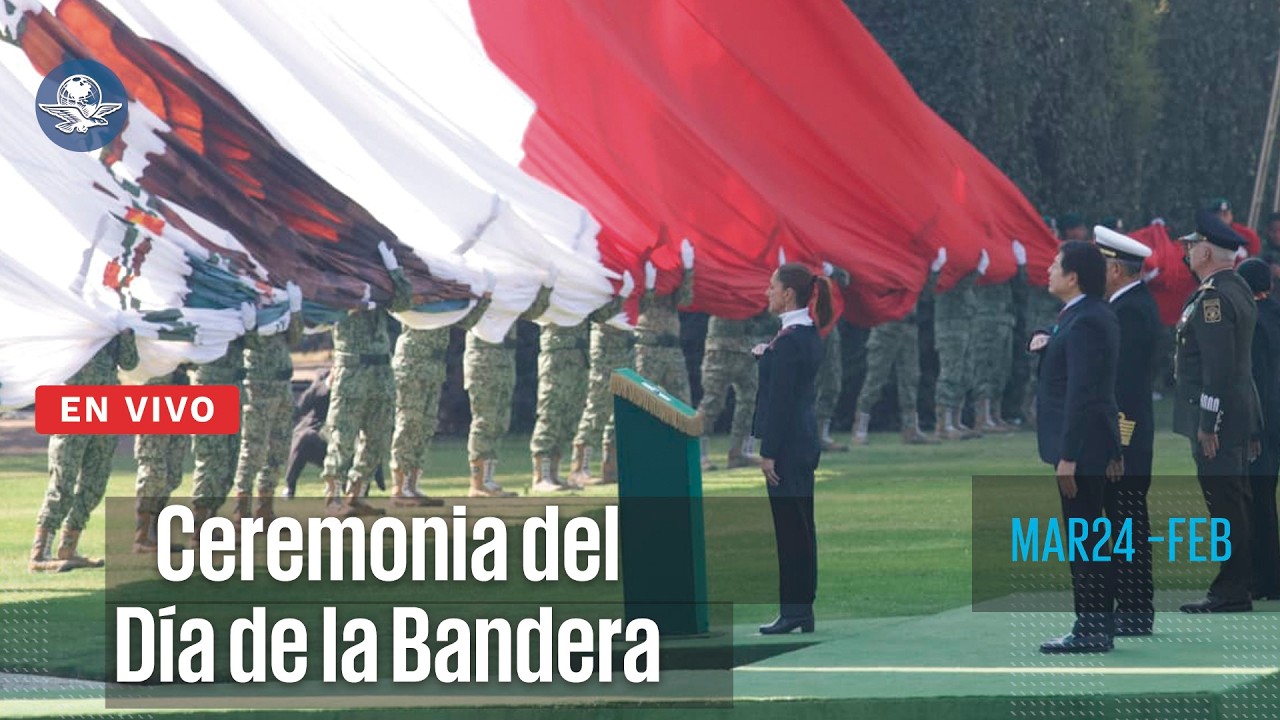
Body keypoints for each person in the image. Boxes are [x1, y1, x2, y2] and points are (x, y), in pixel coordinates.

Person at [1031, 240, 1122, 653]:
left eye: (1055, 265)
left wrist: (1068, 455)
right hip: (1094, 446)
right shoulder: (1086, 315)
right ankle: (1095, 624)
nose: (1048, 270)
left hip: (1080, 451)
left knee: (1085, 541)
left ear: (1073, 277)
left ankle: (1091, 628)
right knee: (1090, 538)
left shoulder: (1085, 320)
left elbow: (1083, 392)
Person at [1174, 209, 1259, 613]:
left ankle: (1231, 588)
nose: (1187, 252)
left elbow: (1219, 368)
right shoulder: (1237, 287)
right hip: (1238, 414)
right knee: (1234, 498)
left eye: (1192, 246)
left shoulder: (1214, 298)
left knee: (1224, 501)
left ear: (1207, 251)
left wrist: (1209, 423)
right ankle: (1237, 583)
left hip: (1218, 420)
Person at [753, 263, 832, 635]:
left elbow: (780, 401)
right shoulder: (804, 334)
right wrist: (766, 357)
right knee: (802, 526)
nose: (768, 293)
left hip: (787, 445)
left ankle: (794, 610)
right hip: (804, 440)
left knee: (790, 530)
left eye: (772, 287)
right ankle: (803, 607)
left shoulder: (787, 342)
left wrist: (767, 451)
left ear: (788, 294)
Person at [30, 328, 138, 573]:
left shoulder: (113, 322)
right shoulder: (74, 316)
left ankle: (69, 547)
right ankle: (39, 553)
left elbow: (130, 363)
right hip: (72, 404)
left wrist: (126, 333)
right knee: (63, 480)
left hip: (106, 407)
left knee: (95, 482)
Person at [1098, 225, 1161, 636]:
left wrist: (1115, 445)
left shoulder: (1131, 311)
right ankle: (1130, 606)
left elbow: (1127, 386)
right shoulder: (1129, 306)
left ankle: (1135, 608)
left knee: (1127, 521)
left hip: (1126, 435)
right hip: (1127, 435)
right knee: (1124, 520)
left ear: (1116, 270)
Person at [1237, 259, 1280, 600]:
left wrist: (1252, 429)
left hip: (1265, 424)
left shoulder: (1253, 323)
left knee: (1259, 502)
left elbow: (1257, 381)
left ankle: (1264, 578)